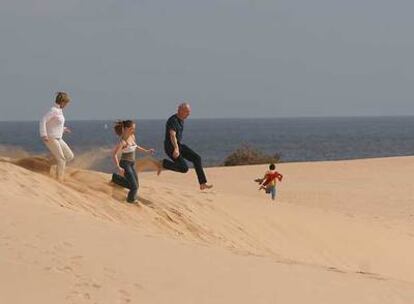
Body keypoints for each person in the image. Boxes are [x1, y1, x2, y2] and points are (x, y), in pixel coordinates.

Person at [162, 103, 213, 190]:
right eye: (187, 112)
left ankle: (202, 183)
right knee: (184, 168)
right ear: (180, 110)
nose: (188, 114)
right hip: (171, 147)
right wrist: (176, 149)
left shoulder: (181, 119)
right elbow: (172, 135)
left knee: (197, 158)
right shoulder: (173, 120)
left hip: (178, 145)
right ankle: (163, 163)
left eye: (189, 112)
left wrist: (178, 147)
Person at [111, 120, 159, 203]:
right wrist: (118, 166)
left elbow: (136, 147)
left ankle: (116, 179)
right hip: (125, 164)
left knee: (136, 185)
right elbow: (114, 154)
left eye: (134, 129)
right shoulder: (123, 142)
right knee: (134, 187)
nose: (133, 130)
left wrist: (146, 151)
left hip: (132, 164)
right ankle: (130, 201)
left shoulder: (132, 137)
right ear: (126, 128)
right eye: (132, 128)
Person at [39, 91, 74, 182]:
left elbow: (55, 124)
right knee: (62, 160)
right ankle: (59, 180)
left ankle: (45, 164)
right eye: (66, 103)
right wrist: (44, 135)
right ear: (62, 102)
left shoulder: (59, 111)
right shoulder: (53, 110)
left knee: (70, 156)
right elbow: (43, 121)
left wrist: (63, 129)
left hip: (59, 138)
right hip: (51, 138)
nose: (66, 105)